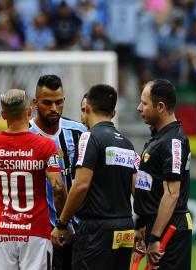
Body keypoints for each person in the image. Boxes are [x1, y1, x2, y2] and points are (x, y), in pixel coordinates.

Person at [51, 84, 138, 270]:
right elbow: (137, 190)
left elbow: (81, 185)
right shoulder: (127, 144)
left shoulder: (89, 137)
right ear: (113, 113)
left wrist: (62, 222)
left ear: (88, 108)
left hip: (97, 230)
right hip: (125, 228)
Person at [0, 89, 67, 270]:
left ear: (3, 115)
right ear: (29, 112)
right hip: (35, 230)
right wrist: (62, 222)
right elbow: (58, 186)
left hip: (3, 231)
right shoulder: (45, 145)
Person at [29, 74, 86, 270]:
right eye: (47, 103)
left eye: (58, 102)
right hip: (38, 232)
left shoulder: (79, 132)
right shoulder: (25, 135)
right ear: (35, 102)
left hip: (77, 230)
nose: (54, 109)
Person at [134, 79, 192, 269]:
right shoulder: (158, 138)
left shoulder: (173, 141)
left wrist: (155, 237)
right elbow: (148, 188)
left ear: (160, 107)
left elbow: (172, 193)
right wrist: (141, 226)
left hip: (170, 229)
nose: (138, 108)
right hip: (155, 226)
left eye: (144, 103)